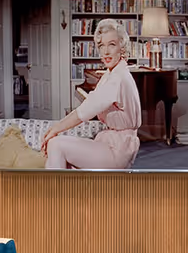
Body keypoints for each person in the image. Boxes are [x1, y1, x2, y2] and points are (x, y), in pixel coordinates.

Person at [40, 18, 142, 170]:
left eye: (112, 45)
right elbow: (93, 102)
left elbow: (85, 111)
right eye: (101, 46)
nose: (105, 51)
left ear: (122, 47)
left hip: (118, 151)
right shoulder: (111, 73)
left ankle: (53, 192)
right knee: (62, 154)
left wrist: (55, 129)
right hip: (111, 143)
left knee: (56, 144)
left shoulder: (118, 77)